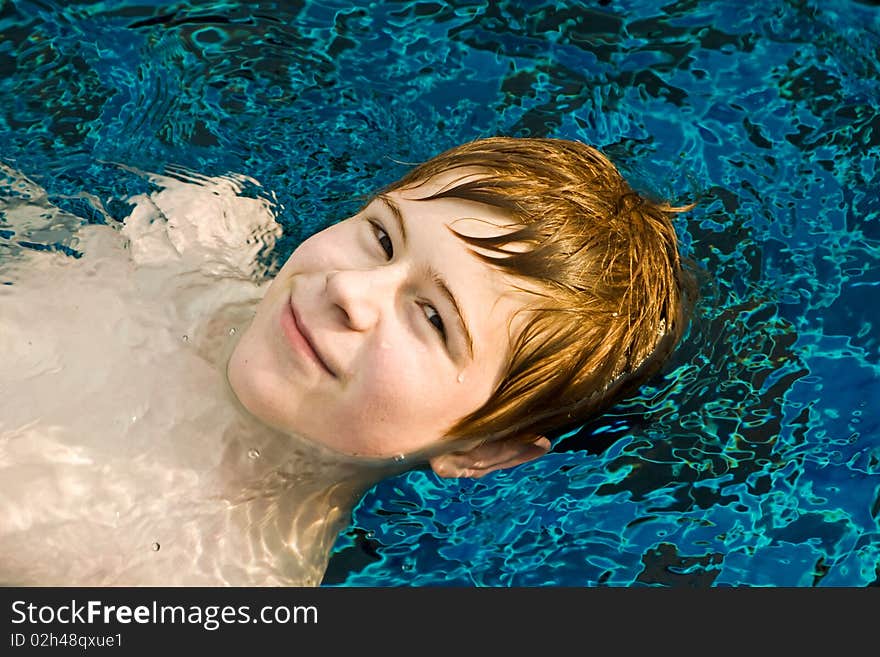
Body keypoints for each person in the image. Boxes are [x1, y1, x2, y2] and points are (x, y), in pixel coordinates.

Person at [0, 137, 698, 586]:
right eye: (381, 236)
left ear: (486, 450)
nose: (348, 289)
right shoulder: (196, 229)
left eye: (431, 317)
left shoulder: (192, 580)